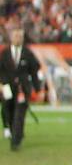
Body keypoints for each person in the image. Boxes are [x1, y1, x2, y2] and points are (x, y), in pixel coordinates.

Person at [0, 23, 41, 151]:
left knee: (19, 113)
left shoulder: (28, 53)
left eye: (20, 36)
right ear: (11, 37)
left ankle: (16, 141)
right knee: (8, 111)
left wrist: (38, 88)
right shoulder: (5, 53)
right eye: (16, 36)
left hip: (23, 88)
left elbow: (34, 71)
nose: (18, 38)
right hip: (7, 87)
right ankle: (14, 132)